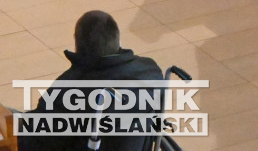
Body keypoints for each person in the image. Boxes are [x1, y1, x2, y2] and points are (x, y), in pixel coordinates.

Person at [17, 11, 163, 151]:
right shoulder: (150, 70)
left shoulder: (68, 90)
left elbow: (35, 140)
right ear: (118, 39)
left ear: (77, 45)